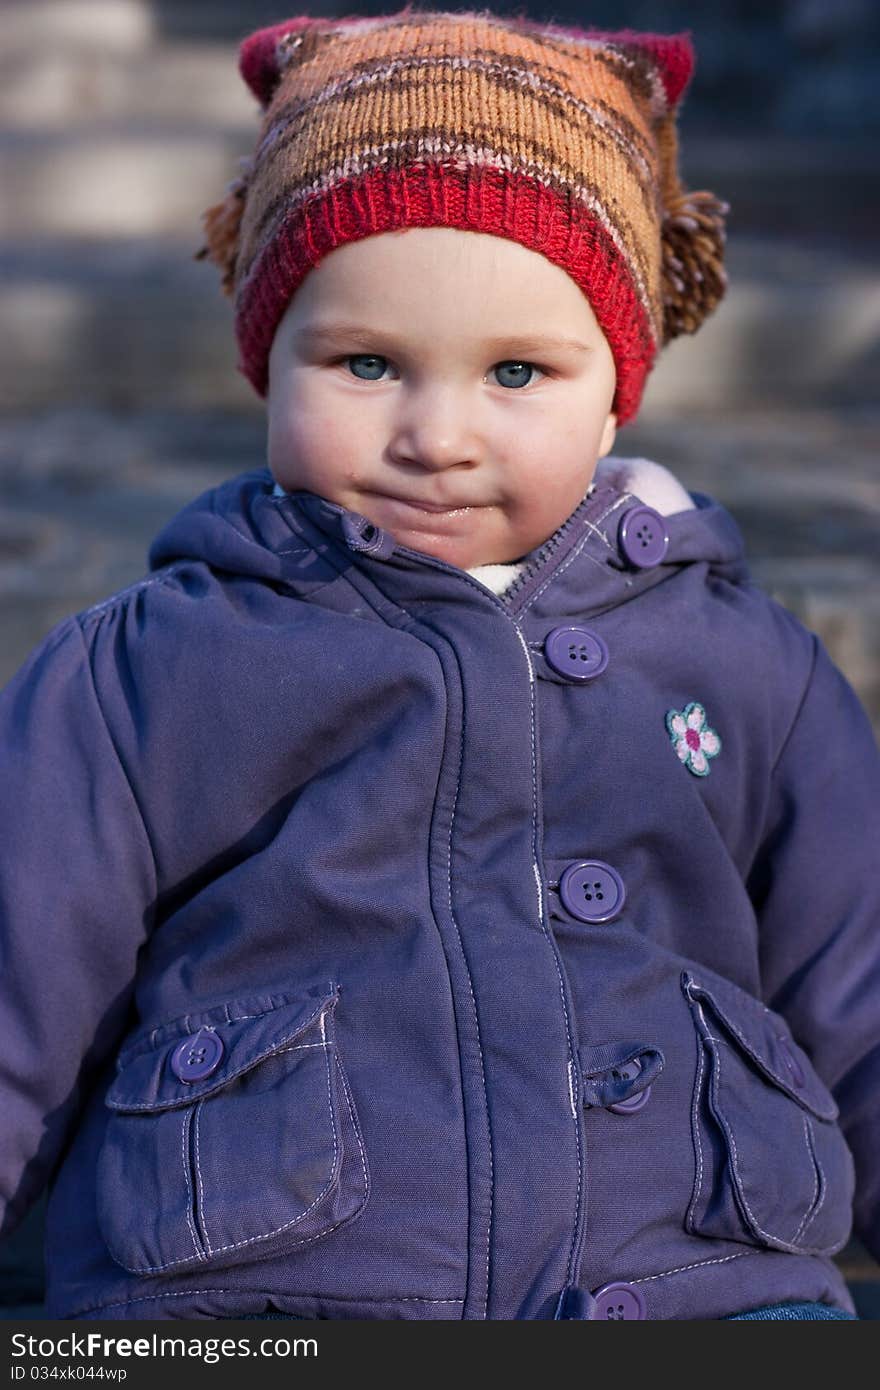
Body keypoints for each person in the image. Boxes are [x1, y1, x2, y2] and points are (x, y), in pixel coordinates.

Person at [0, 6, 877, 1321]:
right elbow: (19, 1004)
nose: (438, 433)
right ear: (268, 365)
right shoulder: (147, 674)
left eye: (517, 370)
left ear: (616, 391)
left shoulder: (744, 664)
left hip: (699, 1283)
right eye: (365, 363)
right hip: (260, 1301)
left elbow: (858, 995)